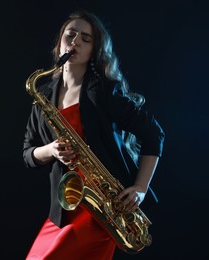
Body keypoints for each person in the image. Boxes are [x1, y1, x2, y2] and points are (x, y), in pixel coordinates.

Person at [22, 9, 165, 260]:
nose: (75, 41)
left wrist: (140, 188)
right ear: (60, 43)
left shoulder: (103, 91)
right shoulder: (43, 94)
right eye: (71, 34)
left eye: (86, 39)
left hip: (102, 211)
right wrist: (51, 149)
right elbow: (28, 152)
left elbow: (153, 134)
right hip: (64, 209)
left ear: (94, 52)